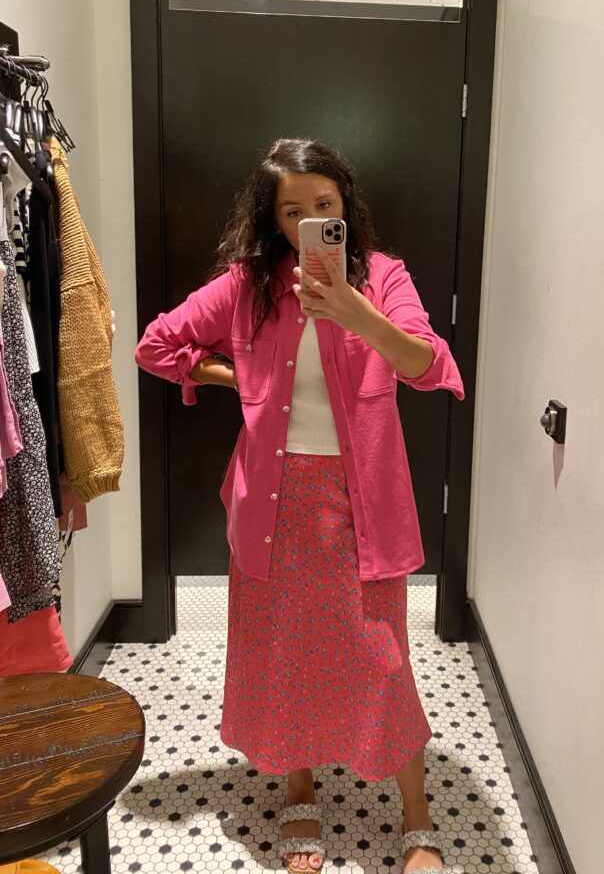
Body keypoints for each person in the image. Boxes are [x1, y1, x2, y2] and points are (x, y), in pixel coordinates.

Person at [134, 138, 464, 874]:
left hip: (361, 507)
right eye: (293, 210)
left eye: (325, 205)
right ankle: (300, 792)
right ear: (274, 220)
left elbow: (428, 364)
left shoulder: (383, 278)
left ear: (345, 205)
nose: (311, 218)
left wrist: (352, 310)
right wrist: (238, 378)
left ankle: (417, 816)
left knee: (383, 661)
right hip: (274, 508)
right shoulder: (248, 286)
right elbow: (156, 347)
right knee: (286, 654)